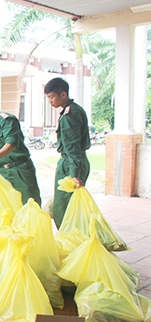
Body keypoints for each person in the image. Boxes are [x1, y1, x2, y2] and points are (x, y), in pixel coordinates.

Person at [44, 77, 90, 227]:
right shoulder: (73, 110)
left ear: (63, 94)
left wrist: (74, 174)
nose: (50, 101)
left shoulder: (70, 115)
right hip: (73, 161)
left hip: (71, 163)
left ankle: (70, 241)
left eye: (51, 97)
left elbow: (73, 147)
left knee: (63, 208)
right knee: (68, 205)